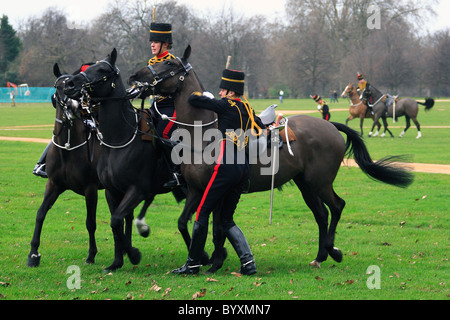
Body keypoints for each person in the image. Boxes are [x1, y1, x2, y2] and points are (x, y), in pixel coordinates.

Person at [172, 69, 264, 276]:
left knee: (202, 212)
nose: (221, 92)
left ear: (231, 92)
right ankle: (248, 264)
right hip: (243, 169)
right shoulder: (247, 109)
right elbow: (260, 124)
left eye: (223, 90)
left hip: (226, 167)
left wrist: (205, 96)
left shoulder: (225, 105)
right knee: (226, 219)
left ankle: (192, 264)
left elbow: (193, 100)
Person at [148, 22, 184, 188]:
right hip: (155, 106)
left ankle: (177, 172)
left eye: (155, 42)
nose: (152, 45)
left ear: (165, 44)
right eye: (151, 42)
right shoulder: (151, 61)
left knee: (163, 134)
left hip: (171, 107)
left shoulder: (172, 62)